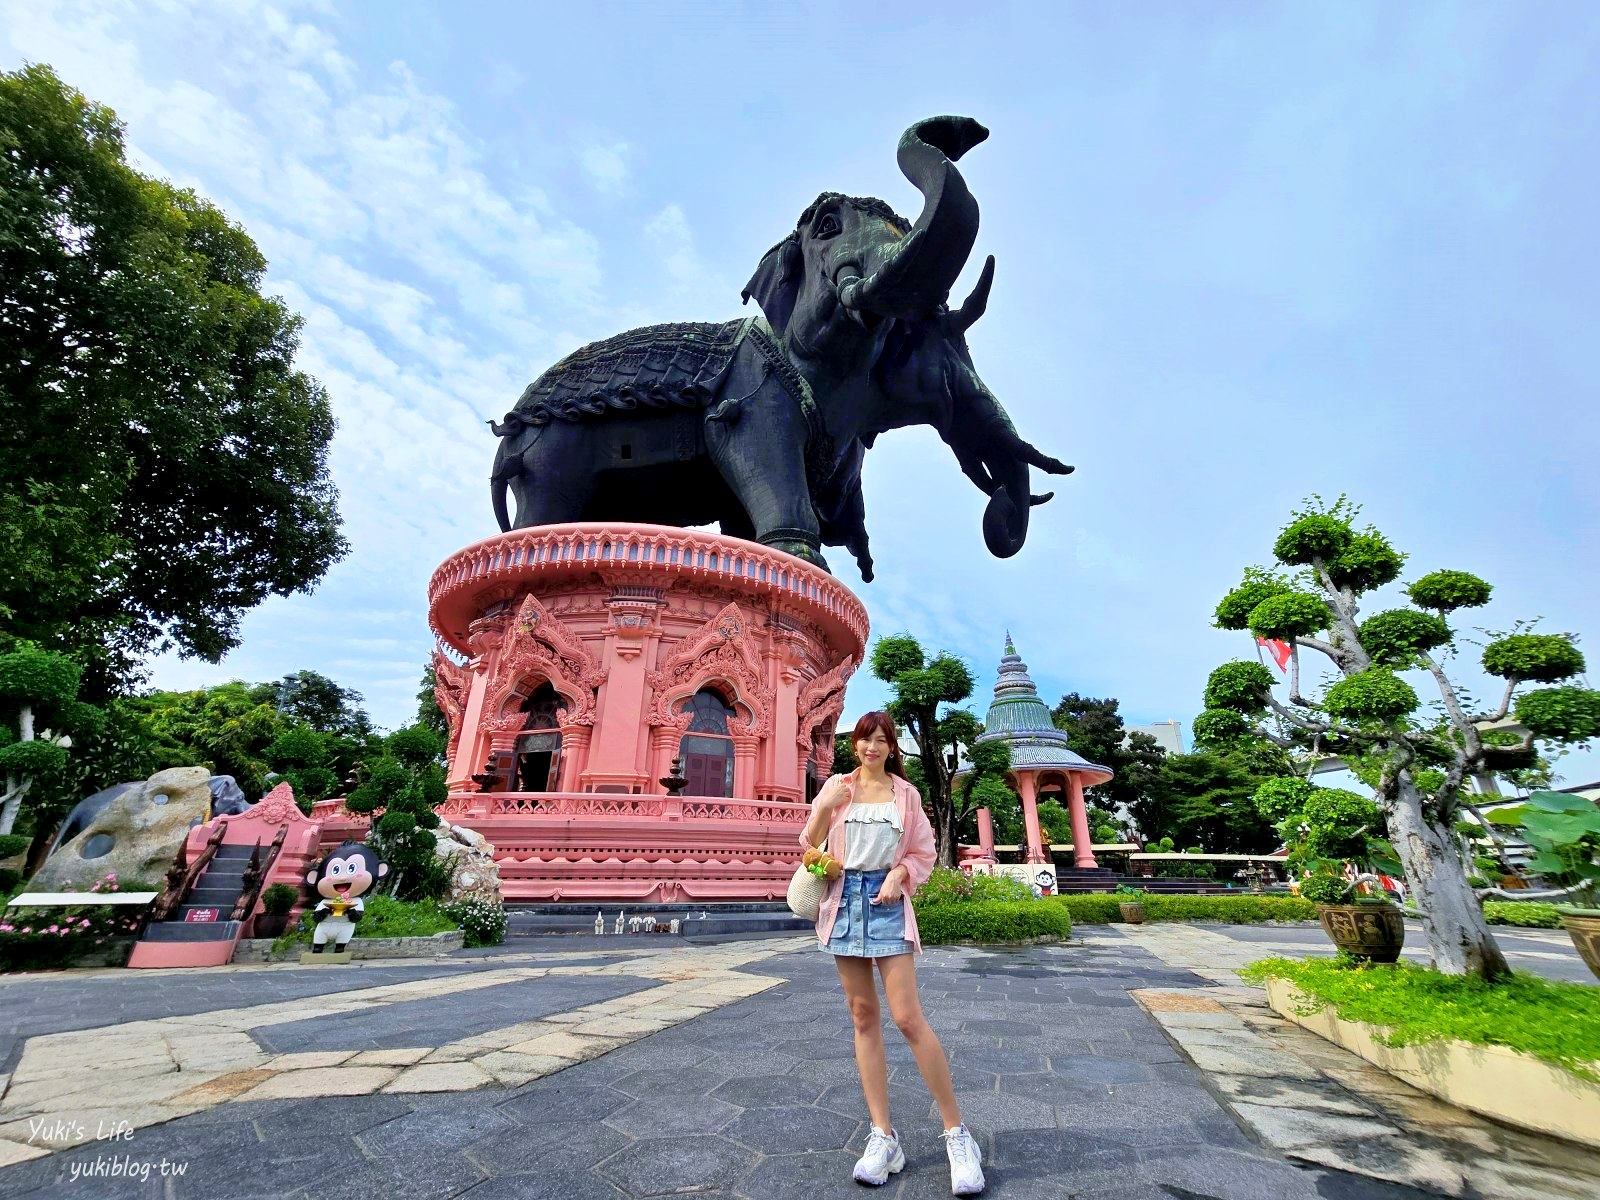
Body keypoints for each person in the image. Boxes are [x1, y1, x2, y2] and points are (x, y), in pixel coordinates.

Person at [799, 711, 985, 1195]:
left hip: (885, 903)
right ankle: (884, 1135)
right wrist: (825, 808)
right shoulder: (838, 786)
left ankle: (957, 1135)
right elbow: (808, 845)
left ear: (891, 747)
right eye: (865, 739)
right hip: (843, 901)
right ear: (855, 744)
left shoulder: (906, 794)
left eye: (881, 740)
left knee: (907, 1017)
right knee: (863, 1015)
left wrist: (900, 875)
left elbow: (922, 851)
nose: (871, 748)